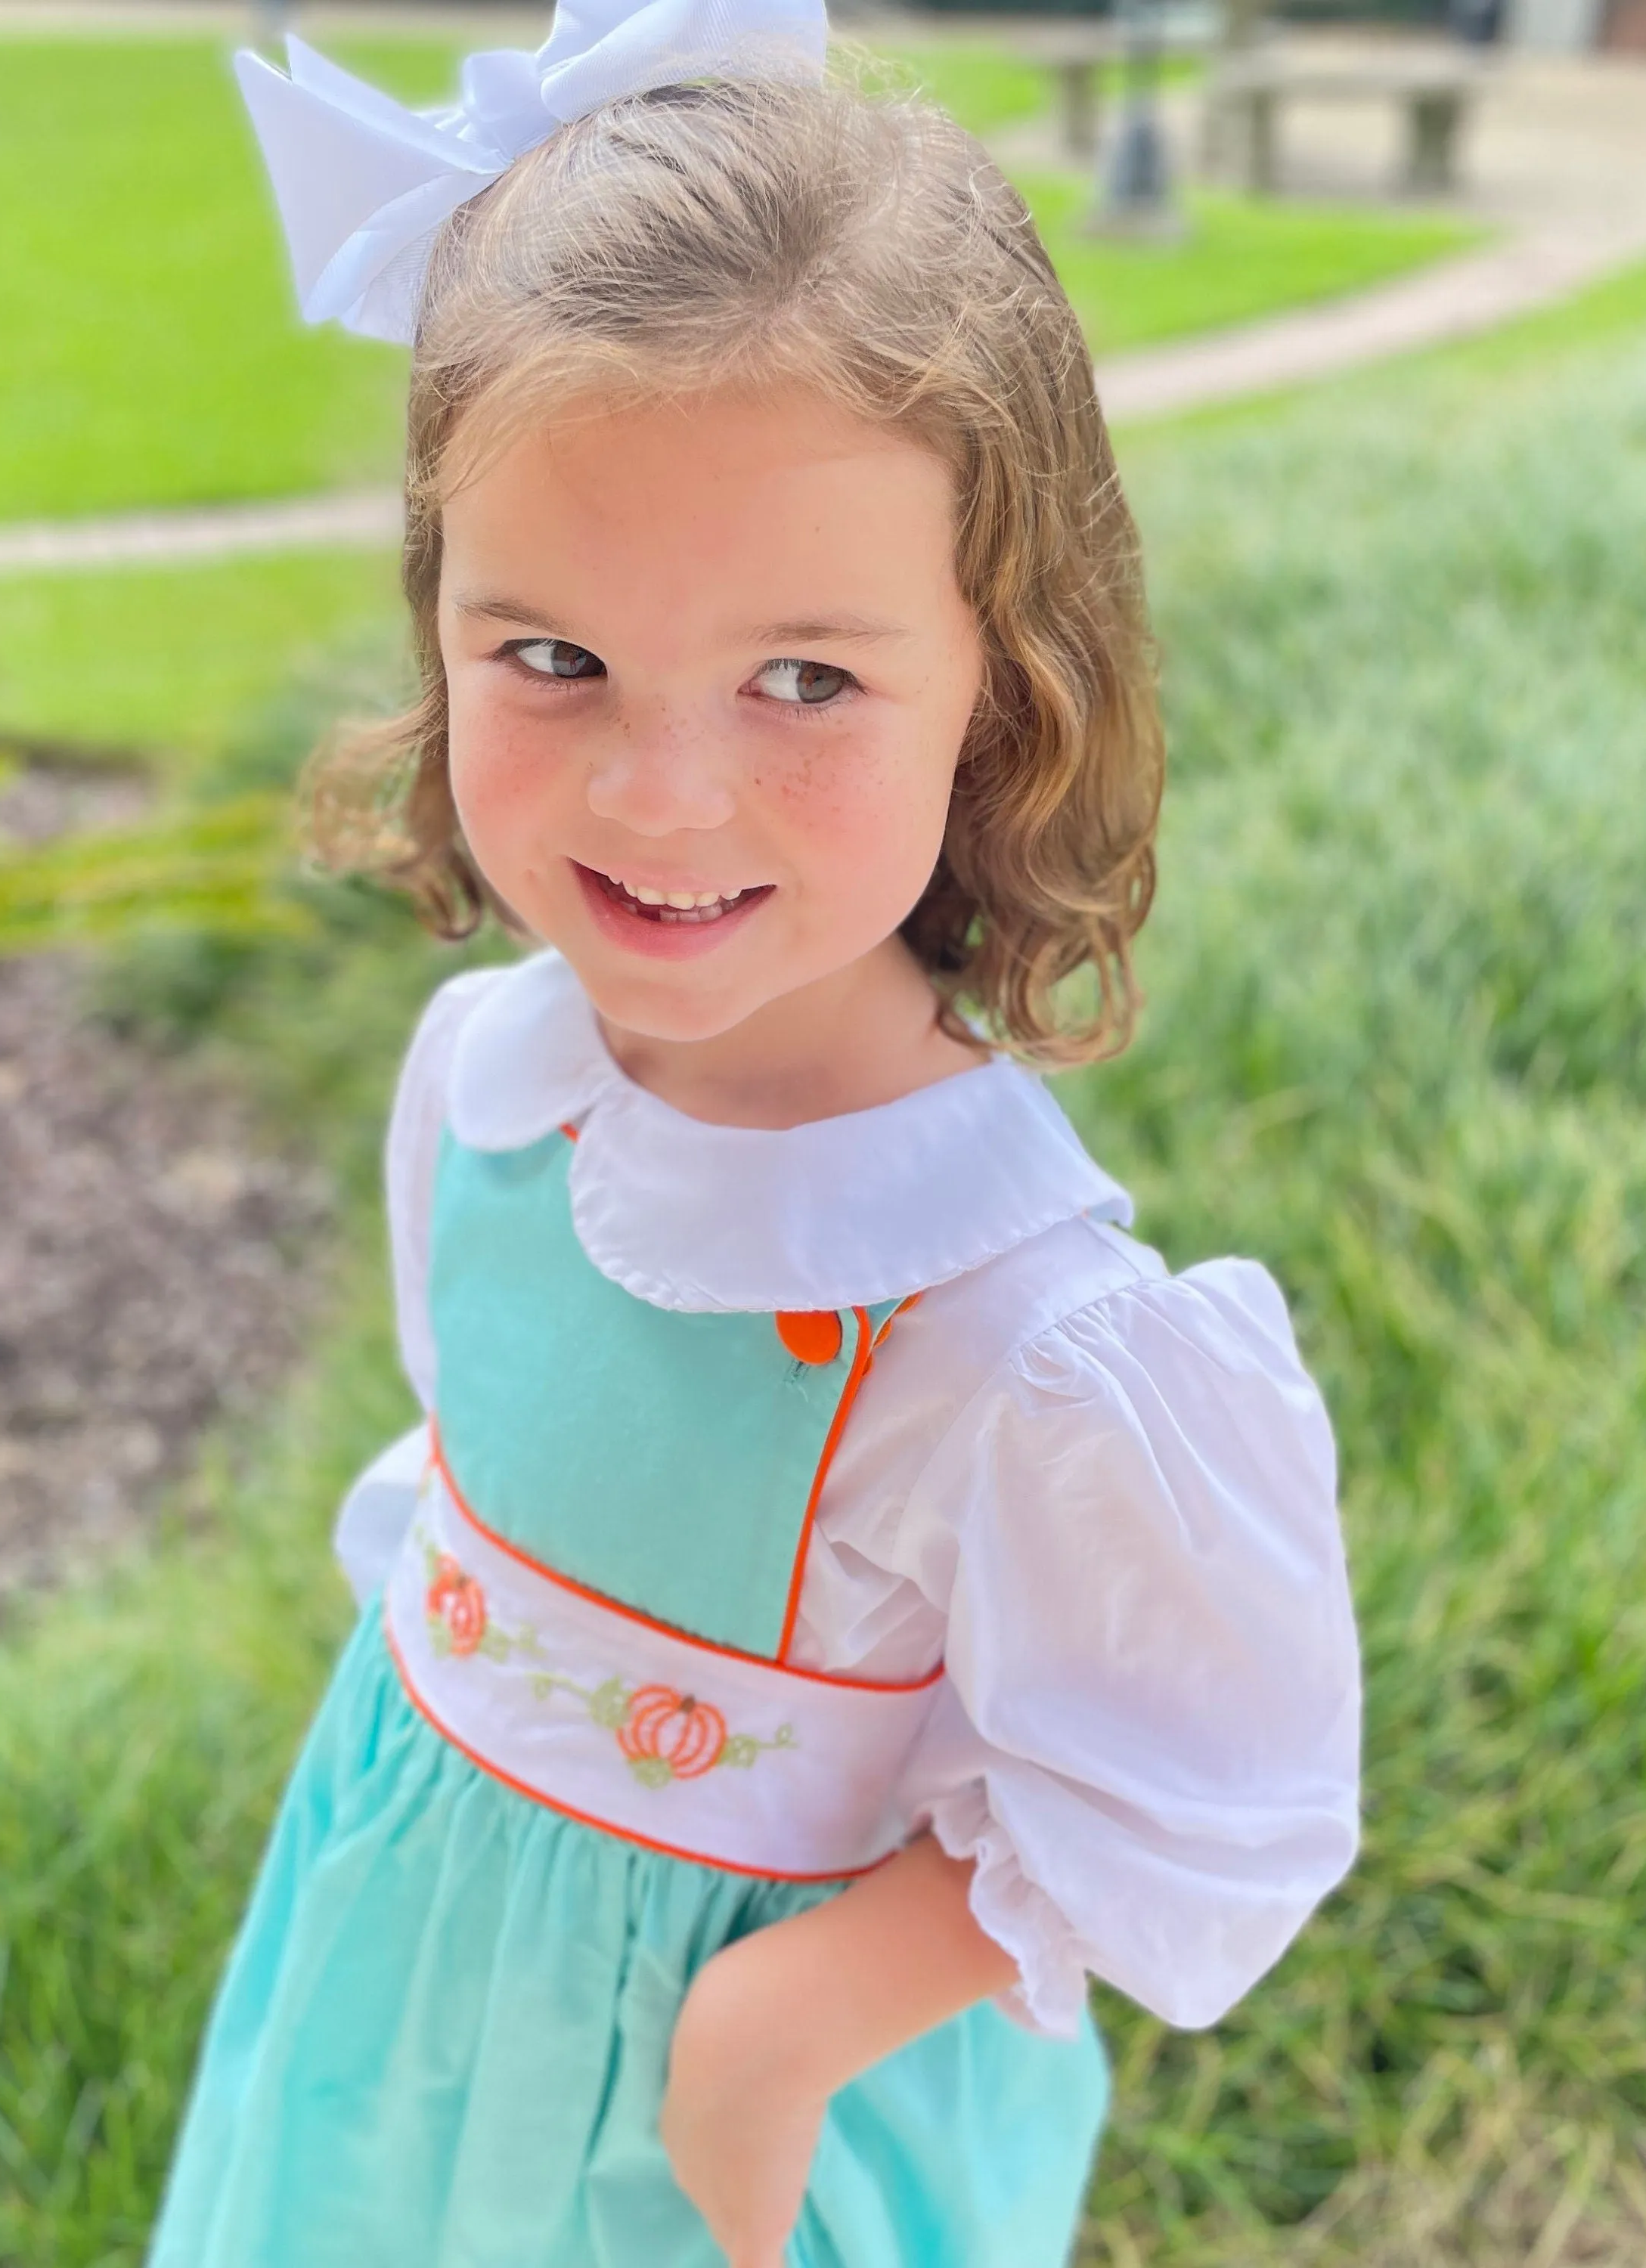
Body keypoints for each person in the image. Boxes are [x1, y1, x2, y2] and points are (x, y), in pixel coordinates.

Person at [149, 8, 1362, 2263]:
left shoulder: (1006, 1337)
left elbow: (1191, 1816)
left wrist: (785, 2024)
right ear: (435, 621)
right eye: (550, 660)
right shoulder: (487, 1085)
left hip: (720, 2126)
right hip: (406, 1979)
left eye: (803, 679)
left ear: (1005, 676)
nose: (660, 792)